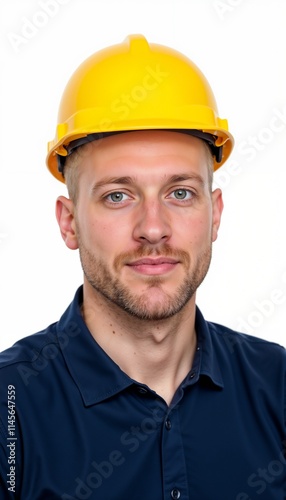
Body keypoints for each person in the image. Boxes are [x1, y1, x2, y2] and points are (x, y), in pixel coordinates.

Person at [0, 34, 285, 500]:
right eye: (118, 195)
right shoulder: (10, 407)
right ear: (69, 223)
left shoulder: (277, 388)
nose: (153, 229)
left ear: (215, 214)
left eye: (180, 193)